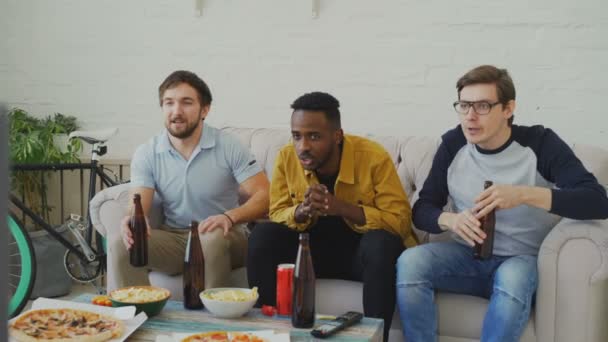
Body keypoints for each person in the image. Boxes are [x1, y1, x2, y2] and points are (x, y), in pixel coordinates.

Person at [396, 65, 608, 342]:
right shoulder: (453, 144)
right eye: (464, 105)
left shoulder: (541, 143)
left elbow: (597, 201)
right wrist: (451, 220)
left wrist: (523, 194)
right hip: (466, 258)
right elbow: (422, 209)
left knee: (513, 281)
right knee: (411, 261)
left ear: (508, 109)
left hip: (521, 260)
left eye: (483, 105)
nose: (470, 116)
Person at [247, 92, 418, 341]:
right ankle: (264, 333)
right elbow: (276, 212)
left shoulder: (372, 157)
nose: (303, 146)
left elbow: (399, 222)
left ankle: (376, 338)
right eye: (297, 136)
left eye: (314, 136)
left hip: (361, 258)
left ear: (337, 136)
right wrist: (301, 211)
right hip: (310, 257)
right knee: (263, 235)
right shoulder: (286, 156)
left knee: (381, 243)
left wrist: (341, 207)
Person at [107, 70, 270, 291]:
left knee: (210, 238)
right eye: (169, 103)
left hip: (225, 236)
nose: (176, 111)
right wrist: (131, 219)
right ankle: (141, 314)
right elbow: (139, 204)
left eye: (186, 103)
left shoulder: (228, 145)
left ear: (205, 109)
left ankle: (214, 320)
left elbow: (265, 195)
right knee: (120, 244)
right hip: (175, 238)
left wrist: (229, 217)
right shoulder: (147, 152)